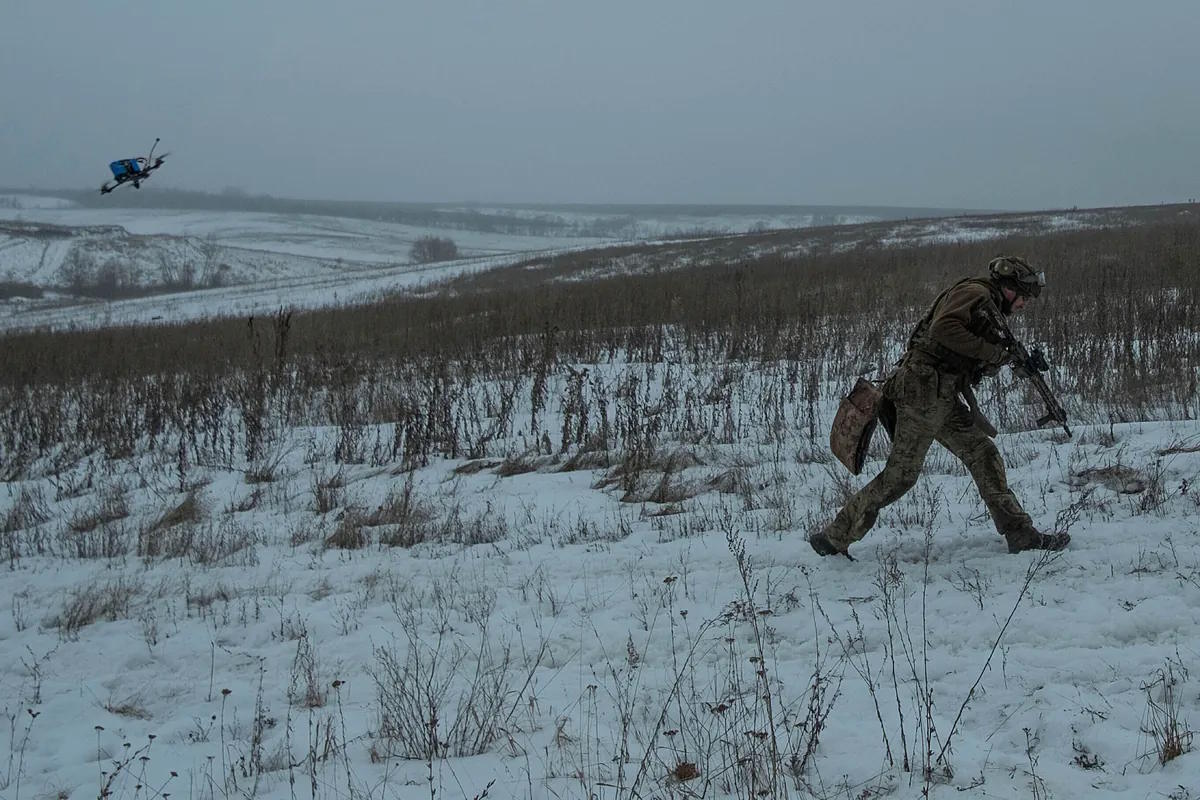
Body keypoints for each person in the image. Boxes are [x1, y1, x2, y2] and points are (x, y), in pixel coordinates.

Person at [810, 256, 1071, 558]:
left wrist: (1006, 359)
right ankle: (834, 537)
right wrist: (995, 353)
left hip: (941, 394)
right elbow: (943, 329)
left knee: (982, 453)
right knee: (901, 476)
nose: (1025, 303)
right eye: (1024, 296)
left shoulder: (988, 305)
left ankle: (1021, 534)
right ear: (1009, 288)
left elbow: (968, 354)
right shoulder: (977, 293)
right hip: (923, 392)